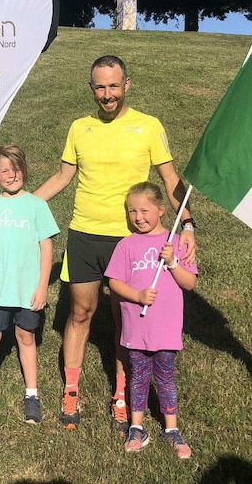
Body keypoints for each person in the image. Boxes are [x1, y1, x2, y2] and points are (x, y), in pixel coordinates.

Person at [33, 55, 196, 434]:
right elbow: (61, 177)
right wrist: (25, 208)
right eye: (100, 87)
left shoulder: (148, 126)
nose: (107, 94)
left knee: (125, 318)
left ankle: (122, 394)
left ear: (127, 85)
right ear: (92, 89)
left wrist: (187, 222)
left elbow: (170, 179)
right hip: (85, 234)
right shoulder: (79, 127)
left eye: (113, 86)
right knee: (80, 313)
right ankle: (71, 390)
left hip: (130, 240)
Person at [0, 145, 59, 426]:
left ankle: (32, 395)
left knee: (26, 338)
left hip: (27, 290)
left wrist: (42, 287)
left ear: (24, 171)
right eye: (4, 170)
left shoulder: (38, 206)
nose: (11, 174)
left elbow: (47, 248)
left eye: (15, 168)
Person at [104, 182, 197, 457]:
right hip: (137, 327)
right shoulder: (126, 245)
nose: (138, 217)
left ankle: (172, 429)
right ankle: (137, 427)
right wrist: (138, 295)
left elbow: (189, 283)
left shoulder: (177, 243)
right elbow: (114, 282)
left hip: (165, 329)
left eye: (144, 210)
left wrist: (173, 263)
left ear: (162, 210)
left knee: (166, 378)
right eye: (132, 211)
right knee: (139, 377)